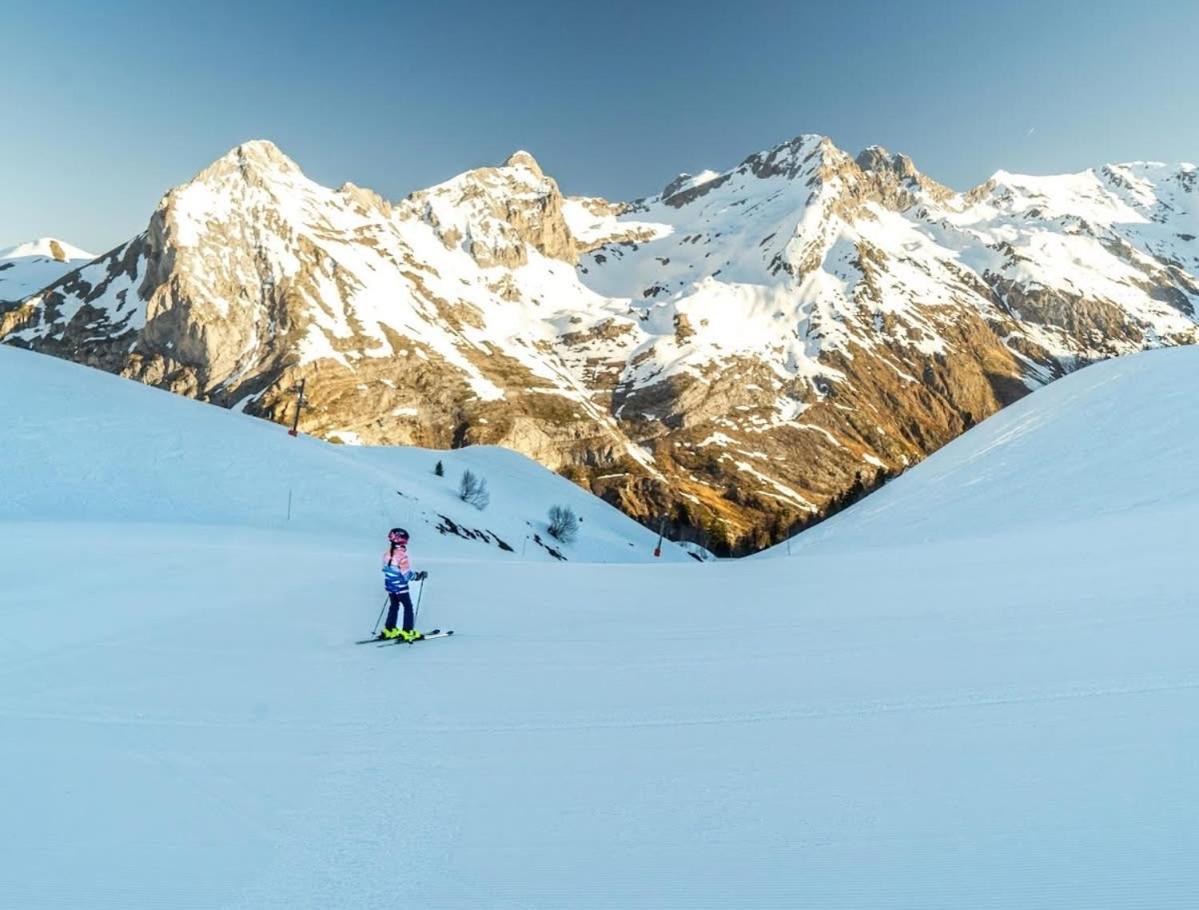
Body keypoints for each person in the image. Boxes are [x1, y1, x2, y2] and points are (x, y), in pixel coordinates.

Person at [380, 528, 428, 640]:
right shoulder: (402, 556)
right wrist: (418, 576)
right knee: (408, 607)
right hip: (401, 587)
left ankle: (389, 630)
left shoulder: (386, 554)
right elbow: (406, 574)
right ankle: (407, 631)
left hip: (390, 586)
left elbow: (386, 569)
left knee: (394, 606)